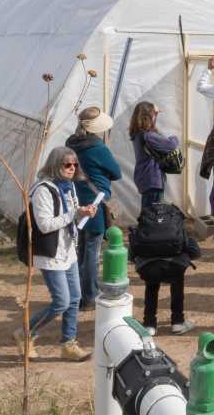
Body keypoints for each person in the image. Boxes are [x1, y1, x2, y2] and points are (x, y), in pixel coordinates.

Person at [13, 147, 97, 361]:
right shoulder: (43, 190)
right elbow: (44, 225)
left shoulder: (69, 187)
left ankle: (68, 344)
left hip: (67, 250)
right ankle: (26, 333)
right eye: (66, 164)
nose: (72, 168)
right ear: (55, 165)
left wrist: (84, 214)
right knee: (61, 301)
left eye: (75, 165)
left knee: (75, 298)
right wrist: (74, 214)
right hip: (50, 253)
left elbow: (72, 220)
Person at [65, 106, 122, 311]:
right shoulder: (98, 148)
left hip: (78, 200)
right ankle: (90, 296)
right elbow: (116, 173)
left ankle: (79, 294)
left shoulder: (70, 145)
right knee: (92, 252)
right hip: (96, 204)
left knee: (81, 249)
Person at [130, 202, 200, 336]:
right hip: (174, 266)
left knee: (151, 286)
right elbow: (194, 250)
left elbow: (133, 252)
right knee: (177, 283)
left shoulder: (145, 221)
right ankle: (177, 323)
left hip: (149, 267)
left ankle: (149, 324)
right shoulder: (176, 220)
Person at [129, 102, 179, 210]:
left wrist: (154, 112)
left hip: (143, 177)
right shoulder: (149, 136)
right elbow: (171, 145)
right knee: (152, 216)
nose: (155, 117)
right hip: (152, 180)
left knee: (147, 212)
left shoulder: (138, 134)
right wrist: (174, 137)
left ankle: (144, 226)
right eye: (153, 115)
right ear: (147, 117)